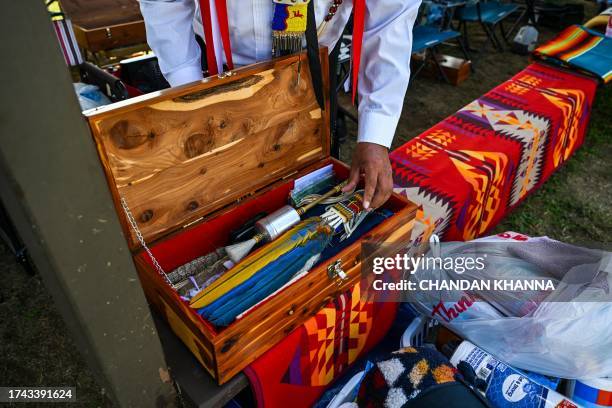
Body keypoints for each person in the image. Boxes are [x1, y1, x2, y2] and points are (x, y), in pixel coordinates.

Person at [139, 0, 420, 210]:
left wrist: (375, 134)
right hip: (217, 66)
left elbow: (391, 18)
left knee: (309, 183)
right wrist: (192, 89)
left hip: (312, 64)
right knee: (223, 190)